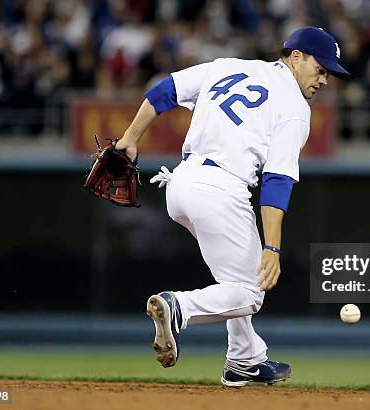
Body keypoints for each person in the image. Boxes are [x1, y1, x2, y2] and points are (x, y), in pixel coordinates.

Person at [115, 26, 349, 387]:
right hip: (221, 189)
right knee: (251, 291)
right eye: (321, 69)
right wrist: (273, 247)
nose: (325, 80)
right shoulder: (295, 108)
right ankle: (179, 308)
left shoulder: (227, 65)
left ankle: (245, 360)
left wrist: (130, 138)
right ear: (297, 57)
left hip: (179, 184)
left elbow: (165, 91)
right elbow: (277, 180)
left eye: (330, 74)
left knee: (234, 278)